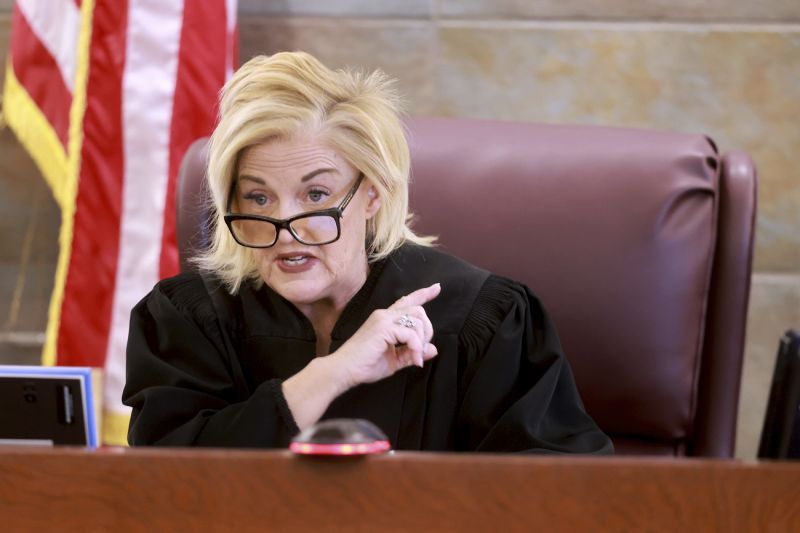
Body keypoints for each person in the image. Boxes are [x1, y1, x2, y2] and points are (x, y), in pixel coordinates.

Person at [122, 51, 613, 454]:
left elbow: (554, 493)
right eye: (258, 197)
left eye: (315, 196)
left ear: (372, 194)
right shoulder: (187, 319)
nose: (285, 230)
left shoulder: (484, 319)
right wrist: (333, 372)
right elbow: (170, 486)